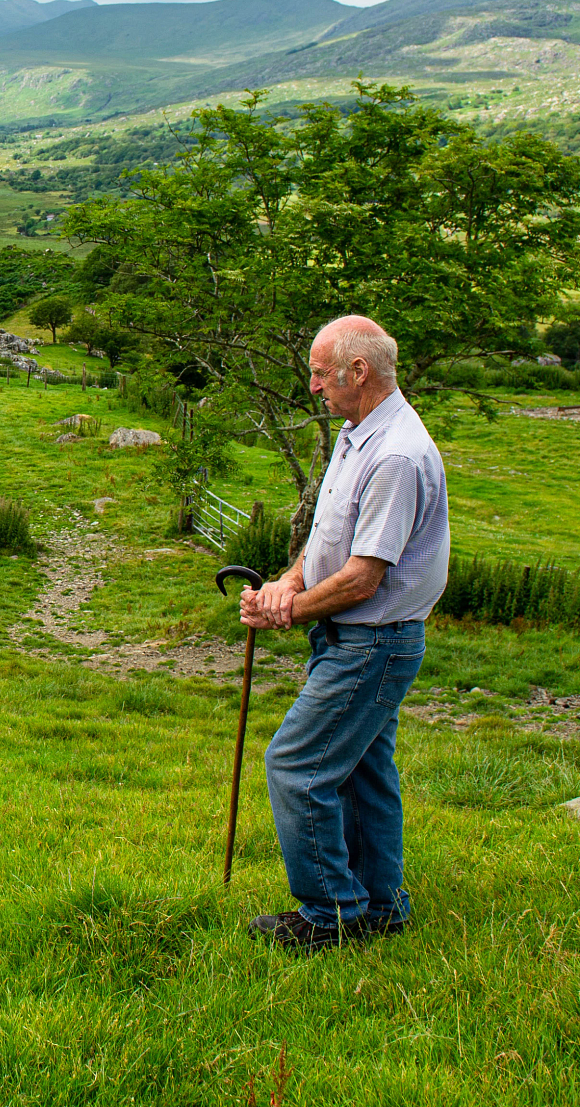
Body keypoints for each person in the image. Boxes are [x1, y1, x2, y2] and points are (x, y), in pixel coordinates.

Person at [239, 314, 449, 951]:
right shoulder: (357, 435)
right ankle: (381, 907)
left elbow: (362, 578)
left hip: (372, 642)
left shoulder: (397, 456)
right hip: (359, 639)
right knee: (363, 771)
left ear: (359, 372)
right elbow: (331, 540)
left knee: (296, 764)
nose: (312, 387)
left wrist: (285, 612)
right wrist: (288, 580)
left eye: (319, 373)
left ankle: (331, 911)